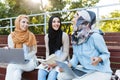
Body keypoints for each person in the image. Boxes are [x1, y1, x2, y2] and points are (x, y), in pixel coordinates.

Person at [57, 10, 112, 80]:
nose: (72, 20)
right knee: (61, 76)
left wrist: (99, 59)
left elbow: (106, 54)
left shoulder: (95, 36)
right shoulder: (75, 38)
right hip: (85, 70)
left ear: (82, 20)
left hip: (101, 71)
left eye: (75, 18)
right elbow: (75, 57)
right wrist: (67, 66)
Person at [5, 15, 38, 80]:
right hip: (17, 62)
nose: (26, 24)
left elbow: (34, 51)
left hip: (30, 61)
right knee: (16, 74)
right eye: (23, 22)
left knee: (10, 66)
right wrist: (9, 50)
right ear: (18, 22)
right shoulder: (11, 36)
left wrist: (25, 58)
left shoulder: (31, 35)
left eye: (27, 23)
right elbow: (13, 53)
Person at [38, 15, 69, 80]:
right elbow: (47, 51)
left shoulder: (64, 35)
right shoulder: (47, 37)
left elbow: (66, 53)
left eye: (58, 22)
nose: (56, 24)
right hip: (51, 61)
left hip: (61, 61)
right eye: (54, 22)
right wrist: (47, 61)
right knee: (40, 73)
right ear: (50, 23)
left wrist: (57, 63)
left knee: (51, 76)